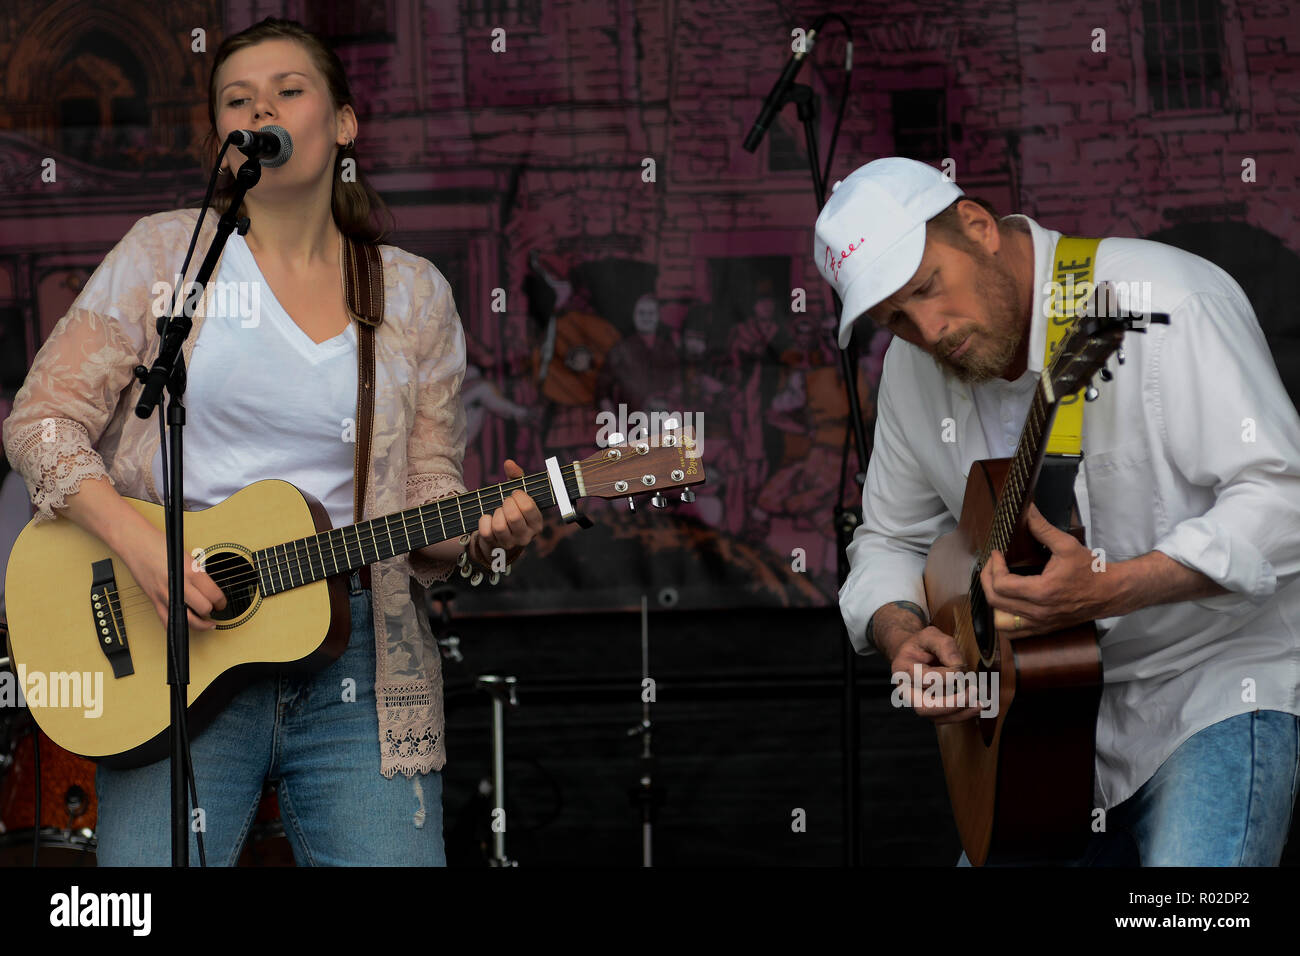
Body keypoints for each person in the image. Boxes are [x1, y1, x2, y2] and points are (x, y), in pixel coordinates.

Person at [0, 17, 543, 866]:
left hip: (358, 651)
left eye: (289, 91)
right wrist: (139, 544)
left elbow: (429, 505)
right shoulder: (162, 258)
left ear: (343, 123)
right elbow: (39, 419)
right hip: (167, 631)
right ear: (223, 134)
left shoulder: (413, 296)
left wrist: (482, 534)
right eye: (238, 99)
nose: (263, 109)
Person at [817, 156, 1300, 865]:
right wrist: (900, 633)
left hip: (1211, 685)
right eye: (895, 317)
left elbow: (1284, 499)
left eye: (927, 287)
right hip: (1037, 724)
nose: (928, 330)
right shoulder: (912, 368)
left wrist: (1112, 588)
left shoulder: (1164, 299)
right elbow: (889, 536)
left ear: (978, 227)